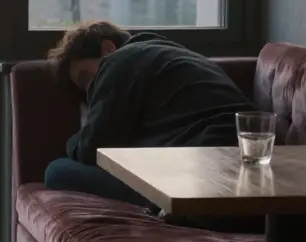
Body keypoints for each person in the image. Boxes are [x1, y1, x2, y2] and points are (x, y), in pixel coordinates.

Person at [43, 20, 257, 206]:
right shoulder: (168, 55)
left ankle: (160, 201)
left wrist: (74, 141)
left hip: (203, 171)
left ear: (108, 48)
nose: (91, 92)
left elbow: (92, 148)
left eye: (86, 78)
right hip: (249, 166)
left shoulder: (119, 61)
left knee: (56, 170)